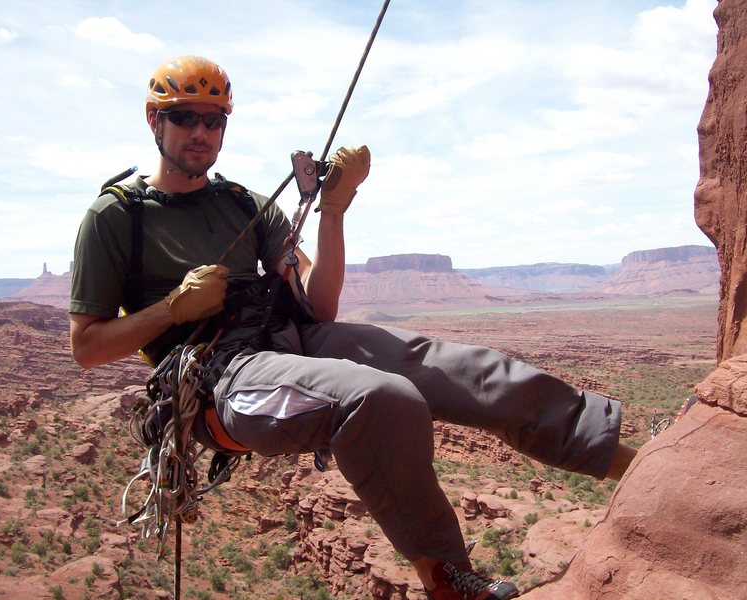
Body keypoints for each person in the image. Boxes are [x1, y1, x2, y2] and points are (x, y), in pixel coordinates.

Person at [69, 55, 636, 600]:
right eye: (184, 117)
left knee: (453, 366)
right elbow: (86, 346)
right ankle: (447, 577)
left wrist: (334, 212)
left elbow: (320, 309)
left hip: (296, 341)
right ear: (154, 120)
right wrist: (172, 309)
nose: (201, 132)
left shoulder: (243, 204)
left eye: (213, 120)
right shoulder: (118, 216)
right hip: (223, 382)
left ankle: (625, 460)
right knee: (383, 398)